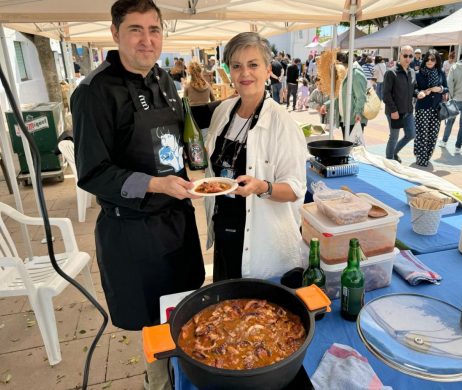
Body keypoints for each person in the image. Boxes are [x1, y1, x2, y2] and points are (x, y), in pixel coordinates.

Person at [71, 1, 205, 389]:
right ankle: (158, 384)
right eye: (136, 29)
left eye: (154, 29)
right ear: (115, 34)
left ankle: (186, 376)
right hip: (133, 232)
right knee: (154, 327)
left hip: (177, 222)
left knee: (183, 312)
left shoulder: (164, 79)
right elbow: (93, 173)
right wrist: (154, 183)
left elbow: (175, 143)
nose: (147, 40)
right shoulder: (94, 92)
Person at [204, 32, 307, 281]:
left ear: (267, 69)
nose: (244, 74)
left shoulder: (282, 123)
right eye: (237, 66)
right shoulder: (223, 111)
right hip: (225, 231)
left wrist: (262, 187)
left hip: (264, 242)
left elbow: (295, 189)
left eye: (253, 65)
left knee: (258, 314)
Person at [413, 49, 448, 167]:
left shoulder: (440, 73)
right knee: (422, 134)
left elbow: (447, 88)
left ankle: (425, 156)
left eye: (432, 59)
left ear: (436, 60)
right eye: (427, 59)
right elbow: (414, 89)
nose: (429, 61)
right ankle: (422, 159)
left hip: (436, 108)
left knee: (433, 135)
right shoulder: (418, 74)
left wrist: (440, 89)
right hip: (423, 107)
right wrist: (419, 93)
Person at [383, 45, 416, 163]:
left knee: (411, 134)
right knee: (394, 137)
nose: (408, 58)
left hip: (408, 111)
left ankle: (394, 152)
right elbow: (386, 94)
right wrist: (393, 111)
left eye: (410, 56)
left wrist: (419, 93)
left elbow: (413, 90)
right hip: (395, 112)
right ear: (400, 56)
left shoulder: (412, 72)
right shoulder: (391, 73)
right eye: (405, 55)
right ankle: (389, 161)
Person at [324, 52, 367, 138]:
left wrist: (358, 112)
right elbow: (342, 96)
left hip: (353, 119)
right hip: (346, 118)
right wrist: (327, 104)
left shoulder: (355, 73)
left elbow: (361, 96)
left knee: (353, 148)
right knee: (348, 147)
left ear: (340, 63)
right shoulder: (346, 73)